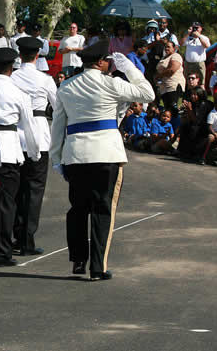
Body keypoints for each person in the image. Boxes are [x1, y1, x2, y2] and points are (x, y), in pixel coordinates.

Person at [50, 40, 155, 280]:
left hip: (76, 154)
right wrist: (129, 68)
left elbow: (58, 125)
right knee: (102, 209)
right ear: (100, 63)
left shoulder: (66, 86)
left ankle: (78, 260)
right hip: (106, 153)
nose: (110, 63)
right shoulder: (112, 83)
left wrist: (57, 157)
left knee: (78, 208)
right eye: (108, 60)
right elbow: (148, 94)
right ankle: (98, 266)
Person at [0, 47, 41, 266]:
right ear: (12, 68)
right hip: (9, 150)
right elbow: (29, 127)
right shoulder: (19, 93)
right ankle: (3, 252)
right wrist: (34, 152)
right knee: (7, 203)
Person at [11, 37, 57, 256]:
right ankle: (26, 239)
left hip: (14, 133)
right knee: (34, 189)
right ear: (37, 55)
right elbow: (57, 107)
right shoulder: (45, 79)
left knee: (15, 189)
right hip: (38, 134)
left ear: (20, 55)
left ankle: (13, 235)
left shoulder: (11, 77)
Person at [177, 86, 213, 162]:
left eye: (195, 94)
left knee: (194, 129)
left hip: (204, 126)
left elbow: (197, 121)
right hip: (196, 124)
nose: (192, 96)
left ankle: (194, 153)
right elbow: (189, 119)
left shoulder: (204, 104)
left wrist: (190, 109)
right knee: (184, 126)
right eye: (192, 94)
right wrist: (185, 109)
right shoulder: (193, 103)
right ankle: (182, 151)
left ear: (200, 95)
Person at [155, 41, 185, 112]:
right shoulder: (163, 58)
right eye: (165, 47)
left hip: (173, 86)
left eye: (168, 47)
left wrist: (159, 76)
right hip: (164, 88)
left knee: (173, 108)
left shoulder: (176, 56)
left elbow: (172, 70)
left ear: (174, 48)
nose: (166, 48)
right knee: (167, 108)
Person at [202, 98, 217, 164]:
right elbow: (209, 127)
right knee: (210, 138)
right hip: (214, 132)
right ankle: (204, 157)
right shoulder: (212, 114)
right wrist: (216, 135)